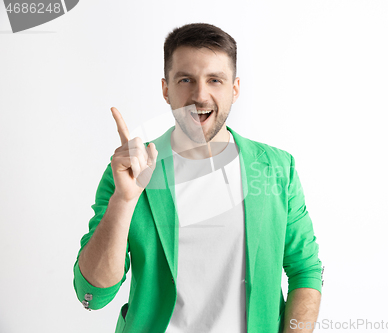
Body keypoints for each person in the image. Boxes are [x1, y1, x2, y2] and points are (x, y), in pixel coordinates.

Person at [73, 22, 324, 333]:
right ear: (166, 89)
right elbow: (93, 295)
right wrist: (124, 200)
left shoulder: (276, 167)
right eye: (186, 79)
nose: (200, 95)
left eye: (215, 80)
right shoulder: (129, 172)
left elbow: (305, 270)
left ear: (235, 89)